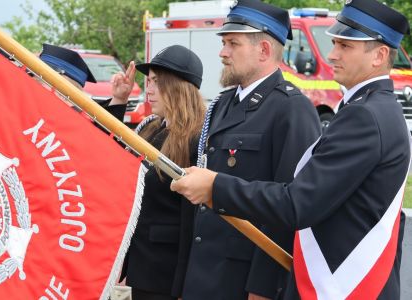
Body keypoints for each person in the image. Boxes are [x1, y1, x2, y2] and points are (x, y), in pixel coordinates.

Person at [171, 0, 410, 299]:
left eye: (344, 46)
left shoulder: (365, 115)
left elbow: (297, 203)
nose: (332, 54)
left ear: (380, 55)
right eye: (334, 43)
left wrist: (215, 186)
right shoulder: (368, 109)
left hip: (343, 281)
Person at [175, 1, 321, 299]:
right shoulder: (222, 104)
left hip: (241, 281)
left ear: (264, 50)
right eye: (224, 43)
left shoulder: (291, 110)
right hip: (203, 274)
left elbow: (288, 209)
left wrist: (263, 289)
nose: (222, 52)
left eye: (232, 44)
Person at [113, 45, 206, 300]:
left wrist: (182, 286)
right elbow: (111, 158)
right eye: (148, 81)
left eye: (157, 82)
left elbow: (193, 217)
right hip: (144, 265)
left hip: (168, 271)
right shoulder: (150, 128)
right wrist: (118, 102)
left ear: (178, 87)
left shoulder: (197, 137)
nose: (149, 89)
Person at [38, 43, 129, 121]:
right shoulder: (31, 107)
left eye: (41, 78)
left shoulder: (80, 123)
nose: (33, 83)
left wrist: (119, 99)